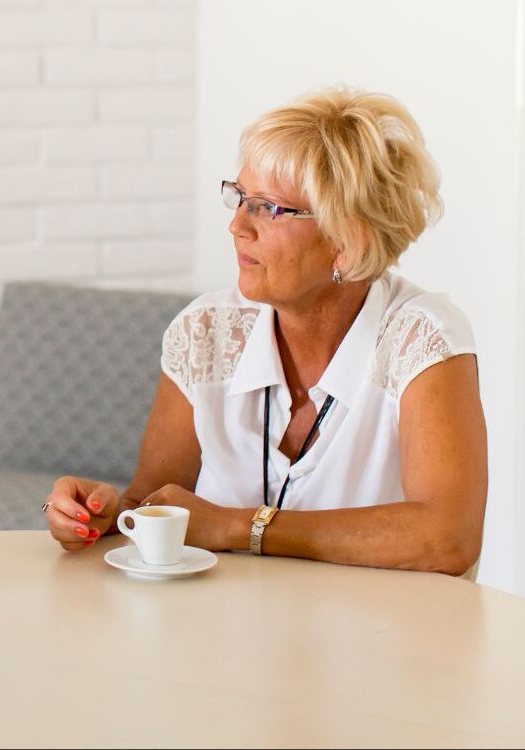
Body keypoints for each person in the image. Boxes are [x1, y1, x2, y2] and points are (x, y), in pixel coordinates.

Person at [45, 87, 486, 577]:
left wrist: (239, 527)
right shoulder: (205, 332)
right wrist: (102, 513)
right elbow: (156, 499)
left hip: (382, 641)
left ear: (346, 240)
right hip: (227, 635)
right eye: (239, 198)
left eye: (267, 208)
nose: (237, 226)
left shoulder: (424, 339)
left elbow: (447, 538)